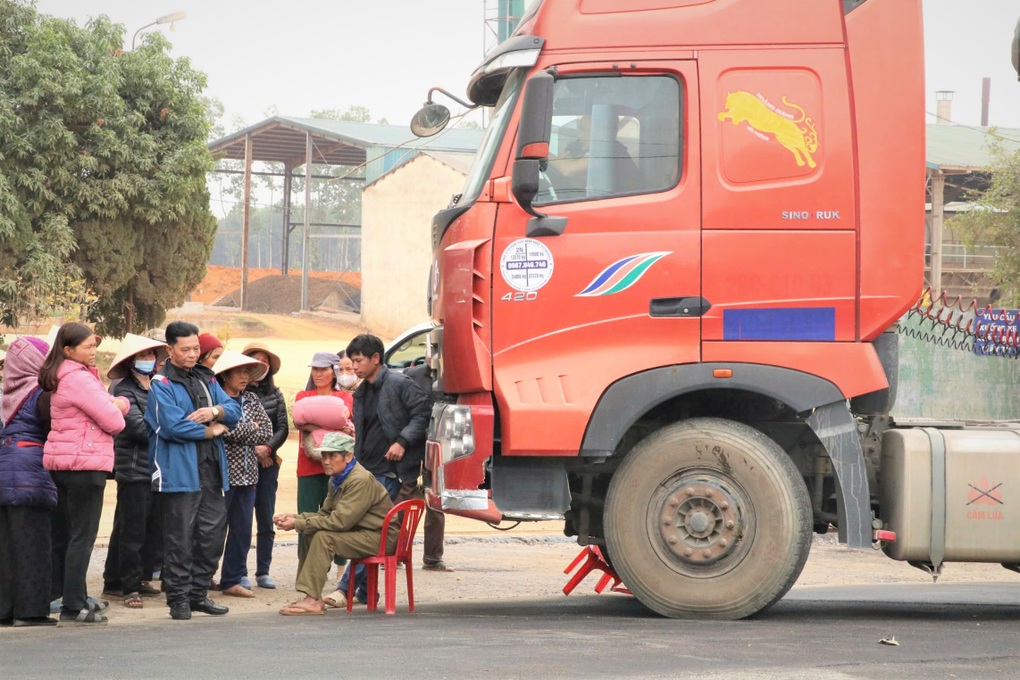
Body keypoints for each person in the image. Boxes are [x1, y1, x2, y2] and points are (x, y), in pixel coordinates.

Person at [145, 321, 241, 621]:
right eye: (184, 349)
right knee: (179, 539)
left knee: (212, 535)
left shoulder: (208, 379)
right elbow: (171, 425)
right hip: (179, 472)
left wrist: (216, 412)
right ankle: (178, 600)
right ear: (169, 349)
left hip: (212, 470)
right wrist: (209, 432)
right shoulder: (160, 385)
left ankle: (199, 594)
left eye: (195, 348)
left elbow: (234, 410)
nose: (191, 354)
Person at [332, 333, 429, 608]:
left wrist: (402, 441)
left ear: (376, 358)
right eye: (352, 361)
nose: (354, 367)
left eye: (359, 360)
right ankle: (365, 592)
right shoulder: (362, 391)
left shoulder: (399, 383)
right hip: (367, 470)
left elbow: (423, 413)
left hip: (391, 471)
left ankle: (344, 589)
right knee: (367, 528)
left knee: (373, 531)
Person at [41, 323, 127, 625]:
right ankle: (74, 604)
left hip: (62, 463)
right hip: (86, 464)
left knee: (64, 536)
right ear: (68, 350)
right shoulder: (79, 379)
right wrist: (122, 404)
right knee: (82, 537)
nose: (94, 351)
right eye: (89, 347)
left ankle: (64, 595)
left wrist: (115, 404)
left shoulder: (60, 375)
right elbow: (114, 422)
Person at [274, 432, 395, 616]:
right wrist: (296, 517)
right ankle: (310, 595)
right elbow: (325, 514)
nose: (326, 461)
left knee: (324, 537)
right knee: (312, 531)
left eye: (333, 455)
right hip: (361, 532)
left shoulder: (359, 480)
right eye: (324, 455)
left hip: (381, 537)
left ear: (348, 456)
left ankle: (313, 600)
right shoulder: (337, 478)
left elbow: (340, 522)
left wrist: (298, 523)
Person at [101, 334, 167, 609]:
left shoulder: (156, 387)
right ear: (130, 362)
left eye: (152, 356)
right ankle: (127, 587)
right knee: (132, 530)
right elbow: (139, 428)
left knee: (151, 528)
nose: (149, 360)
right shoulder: (124, 390)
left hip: (154, 469)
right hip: (134, 468)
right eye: (144, 356)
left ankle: (125, 579)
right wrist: (169, 428)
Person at [0, 337, 57, 627]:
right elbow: (53, 429)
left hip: (4, 473)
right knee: (33, 544)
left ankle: (5, 610)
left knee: (6, 547)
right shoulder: (40, 393)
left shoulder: (7, 394)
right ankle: (30, 612)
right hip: (30, 474)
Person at [213, 351, 272, 598]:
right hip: (222, 475)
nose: (244, 377)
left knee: (242, 530)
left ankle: (231, 579)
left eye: (247, 372)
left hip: (249, 476)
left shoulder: (250, 399)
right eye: (239, 371)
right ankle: (202, 578)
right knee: (214, 530)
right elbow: (224, 431)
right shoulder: (216, 399)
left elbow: (266, 430)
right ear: (225, 374)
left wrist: (241, 429)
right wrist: (248, 429)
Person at [293, 351, 352, 567]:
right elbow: (298, 420)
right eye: (315, 369)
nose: (318, 374)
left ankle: (339, 567)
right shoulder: (302, 396)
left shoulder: (345, 397)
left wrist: (313, 425)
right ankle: (306, 566)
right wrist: (332, 426)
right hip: (307, 468)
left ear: (334, 371)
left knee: (338, 517)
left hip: (337, 469)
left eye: (323, 369)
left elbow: (345, 418)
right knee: (306, 518)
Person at [241, 342, 288, 590]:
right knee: (241, 519)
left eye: (264, 361)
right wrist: (255, 451)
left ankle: (263, 571)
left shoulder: (276, 394)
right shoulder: (234, 392)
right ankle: (239, 571)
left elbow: (283, 428)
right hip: (243, 463)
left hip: (269, 464)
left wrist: (268, 449)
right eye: (255, 360)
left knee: (265, 519)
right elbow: (233, 427)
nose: (260, 365)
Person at [403, 362, 452, 572]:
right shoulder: (411, 374)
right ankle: (394, 553)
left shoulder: (454, 375)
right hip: (411, 445)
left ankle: (432, 557)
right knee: (403, 496)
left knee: (436, 499)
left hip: (439, 446)